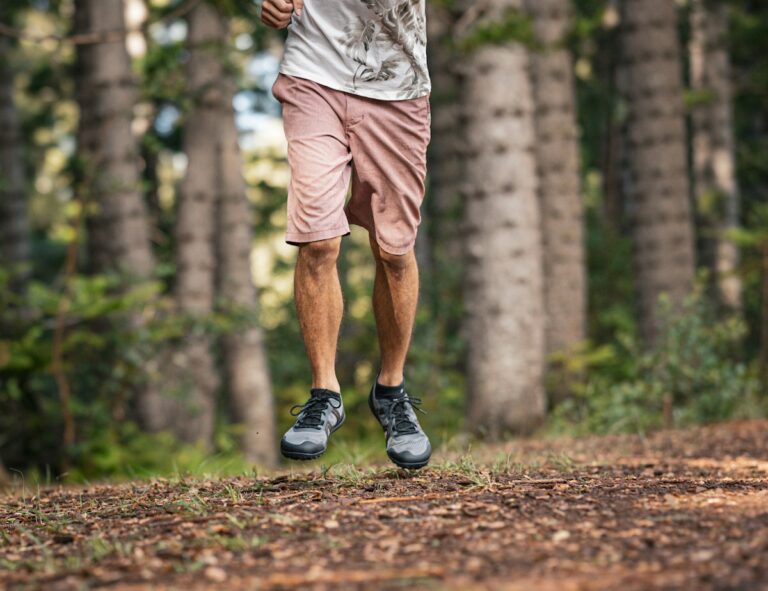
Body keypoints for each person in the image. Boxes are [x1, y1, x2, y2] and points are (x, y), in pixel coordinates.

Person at [261, 0, 432, 469]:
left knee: (394, 251)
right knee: (317, 239)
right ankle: (324, 393)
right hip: (312, 76)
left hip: (398, 88)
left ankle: (391, 392)